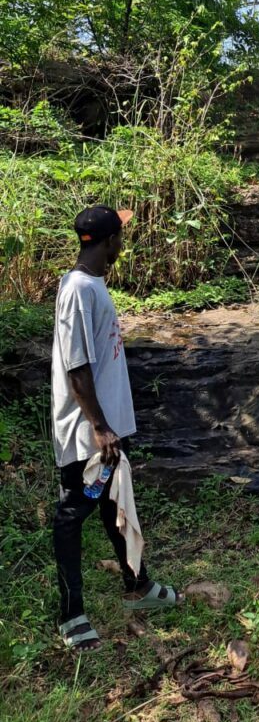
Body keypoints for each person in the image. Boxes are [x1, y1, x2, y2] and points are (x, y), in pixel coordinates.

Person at [52, 205, 179, 652]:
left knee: (112, 503)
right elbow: (76, 368)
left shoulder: (91, 285)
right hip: (87, 433)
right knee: (72, 514)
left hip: (105, 427)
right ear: (108, 243)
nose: (123, 243)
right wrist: (100, 428)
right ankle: (71, 616)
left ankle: (137, 585)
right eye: (120, 237)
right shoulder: (78, 291)